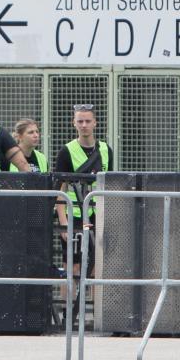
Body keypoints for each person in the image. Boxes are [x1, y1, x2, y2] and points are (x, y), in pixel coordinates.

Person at [53, 104, 114, 316]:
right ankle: (67, 313)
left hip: (99, 213)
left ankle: (98, 314)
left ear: (95, 123)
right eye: (80, 121)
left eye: (88, 121)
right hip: (75, 214)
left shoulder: (106, 149)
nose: (84, 125)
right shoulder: (67, 150)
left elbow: (110, 184)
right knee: (73, 265)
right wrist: (63, 222)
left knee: (98, 266)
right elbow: (60, 188)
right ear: (74, 123)